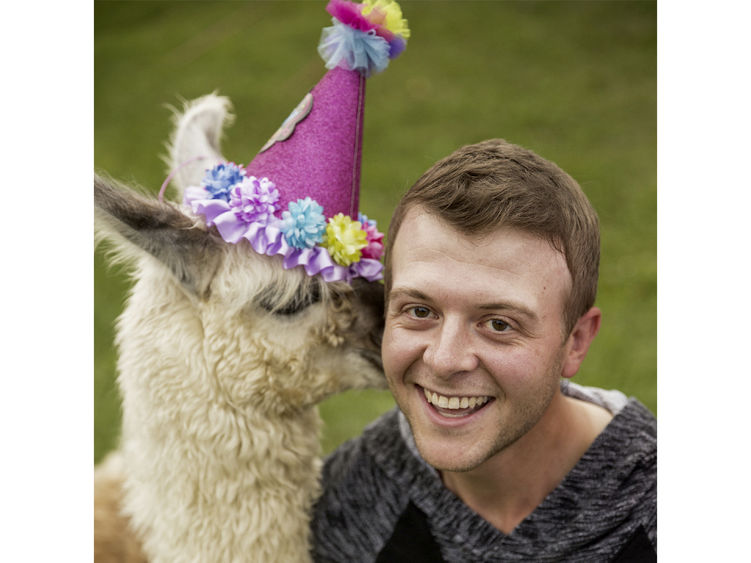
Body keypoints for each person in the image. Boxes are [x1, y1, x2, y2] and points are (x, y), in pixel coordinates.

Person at [311, 139, 656, 562]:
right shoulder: (347, 505)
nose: (444, 359)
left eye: (498, 324)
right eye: (420, 310)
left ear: (576, 341)